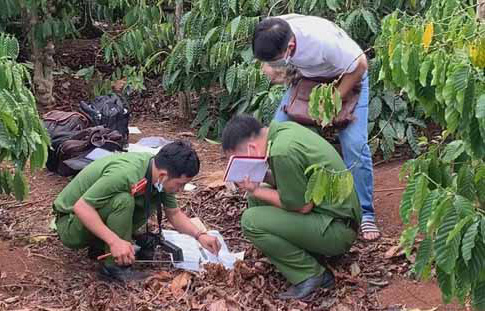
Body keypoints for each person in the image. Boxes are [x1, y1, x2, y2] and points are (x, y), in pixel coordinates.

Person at [252, 15, 380, 241]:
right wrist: (276, 69)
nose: (269, 66)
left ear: (289, 47)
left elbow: (360, 65)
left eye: (273, 60)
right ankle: (289, 192)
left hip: (348, 76)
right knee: (276, 133)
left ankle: (365, 212)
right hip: (309, 78)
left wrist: (332, 102)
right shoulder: (273, 30)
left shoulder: (323, 42)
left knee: (354, 144)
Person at [222, 115, 361, 299]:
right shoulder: (282, 133)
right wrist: (260, 180)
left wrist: (255, 190)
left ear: (251, 148)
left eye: (238, 162)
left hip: (337, 230)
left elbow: (303, 207)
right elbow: (295, 183)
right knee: (257, 201)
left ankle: (311, 274)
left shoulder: (281, 151)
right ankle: (308, 254)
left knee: (250, 221)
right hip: (333, 219)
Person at [52, 141, 221, 282]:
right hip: (70, 224)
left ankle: (100, 246)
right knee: (123, 201)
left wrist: (200, 236)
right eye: (180, 184)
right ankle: (114, 268)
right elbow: (82, 207)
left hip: (88, 220)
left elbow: (174, 214)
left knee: (146, 199)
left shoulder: (157, 175)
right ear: (163, 175)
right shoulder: (126, 173)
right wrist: (114, 241)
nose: (181, 189)